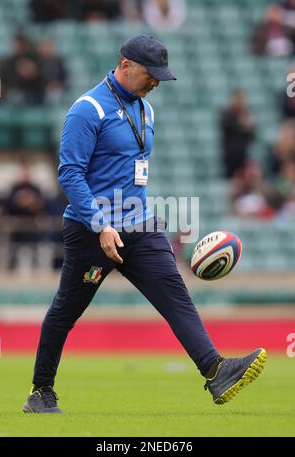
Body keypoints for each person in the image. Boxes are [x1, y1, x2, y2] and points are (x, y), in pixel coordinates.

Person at [23, 35, 267, 413]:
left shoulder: (146, 110)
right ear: (125, 65)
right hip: (92, 232)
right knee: (66, 311)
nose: (156, 82)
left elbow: (132, 173)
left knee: (175, 296)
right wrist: (101, 224)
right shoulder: (87, 110)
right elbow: (70, 174)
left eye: (160, 76)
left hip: (140, 226)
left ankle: (215, 370)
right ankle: (41, 391)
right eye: (150, 74)